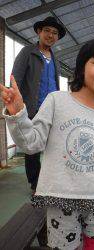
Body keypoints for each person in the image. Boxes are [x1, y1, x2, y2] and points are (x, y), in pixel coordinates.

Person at [0, 38, 94, 250]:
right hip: (62, 201)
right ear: (82, 67)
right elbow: (31, 143)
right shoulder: (56, 100)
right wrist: (18, 113)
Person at [12, 16, 66, 193]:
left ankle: (51, 177)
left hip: (52, 110)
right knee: (32, 149)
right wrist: (17, 105)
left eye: (55, 33)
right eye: (47, 31)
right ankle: (35, 183)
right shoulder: (28, 52)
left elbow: (56, 84)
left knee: (54, 145)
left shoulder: (55, 58)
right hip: (33, 109)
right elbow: (16, 79)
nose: (51, 35)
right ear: (39, 32)